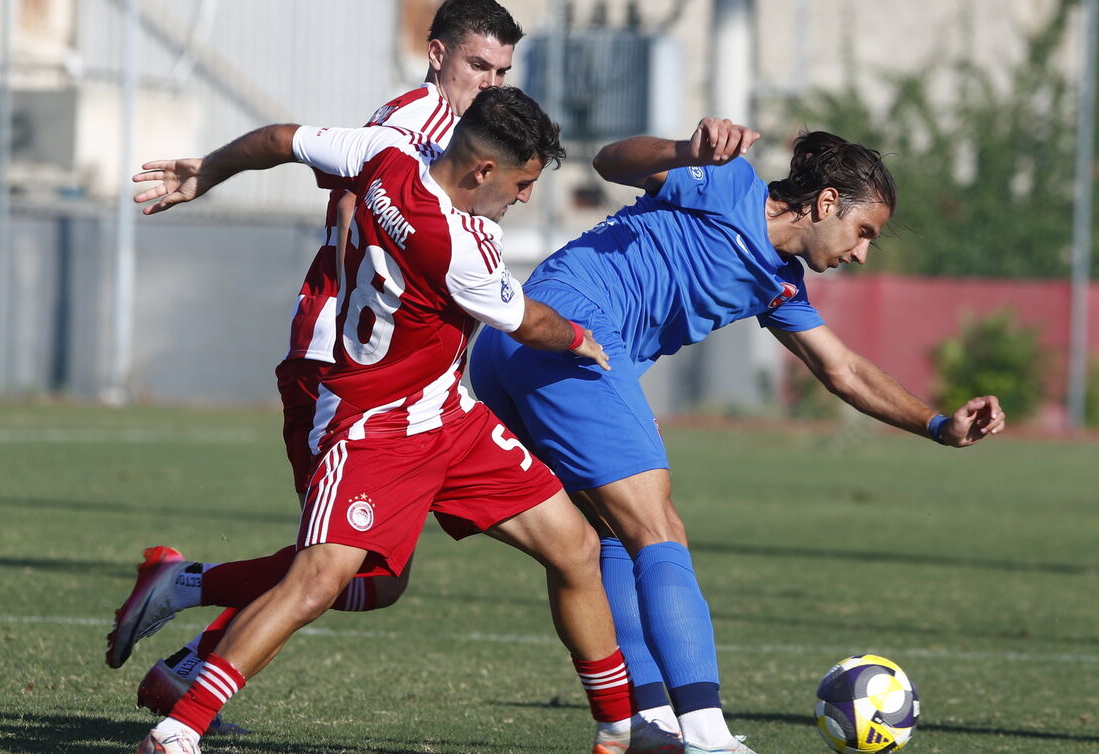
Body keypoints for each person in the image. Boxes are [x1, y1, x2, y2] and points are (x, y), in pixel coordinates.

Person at [122, 87, 684, 754]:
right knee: (320, 582)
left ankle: (618, 730)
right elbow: (530, 322)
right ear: (483, 172)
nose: (525, 197)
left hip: (447, 414)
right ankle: (179, 729)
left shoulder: (386, 152)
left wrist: (207, 171)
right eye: (524, 183)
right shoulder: (462, 249)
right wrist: (579, 338)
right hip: (375, 426)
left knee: (574, 547)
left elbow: (278, 140)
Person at [467, 118, 1007, 754]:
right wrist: (684, 151)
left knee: (612, 535)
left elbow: (843, 369)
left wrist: (939, 425)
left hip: (507, 347)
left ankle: (650, 724)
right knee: (660, 529)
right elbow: (612, 160)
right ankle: (707, 732)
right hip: (566, 334)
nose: (861, 253)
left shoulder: (778, 283)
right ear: (826, 204)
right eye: (864, 233)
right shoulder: (726, 182)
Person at [108, 0, 538, 738]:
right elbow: (346, 201)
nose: (491, 83)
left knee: (374, 578)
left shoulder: (471, 140)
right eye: (478, 66)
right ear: (437, 56)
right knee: (341, 567)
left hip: (404, 383)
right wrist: (212, 171)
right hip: (339, 364)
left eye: (502, 71)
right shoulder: (407, 126)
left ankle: (186, 642)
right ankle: (187, 669)